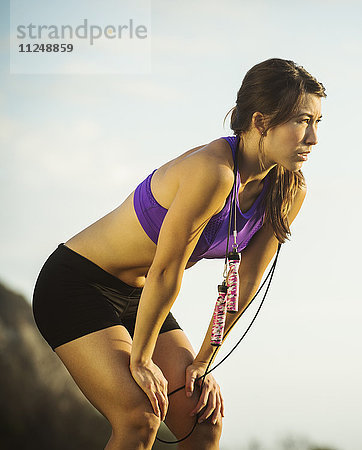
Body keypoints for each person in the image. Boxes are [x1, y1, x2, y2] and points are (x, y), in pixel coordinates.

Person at [32, 58, 325, 450]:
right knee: (140, 415)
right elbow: (167, 273)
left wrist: (203, 361)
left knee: (203, 420)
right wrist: (141, 360)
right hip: (78, 284)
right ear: (260, 122)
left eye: (318, 123)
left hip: (142, 296)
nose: (313, 138)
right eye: (302, 121)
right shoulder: (213, 171)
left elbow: (244, 285)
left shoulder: (288, 191)